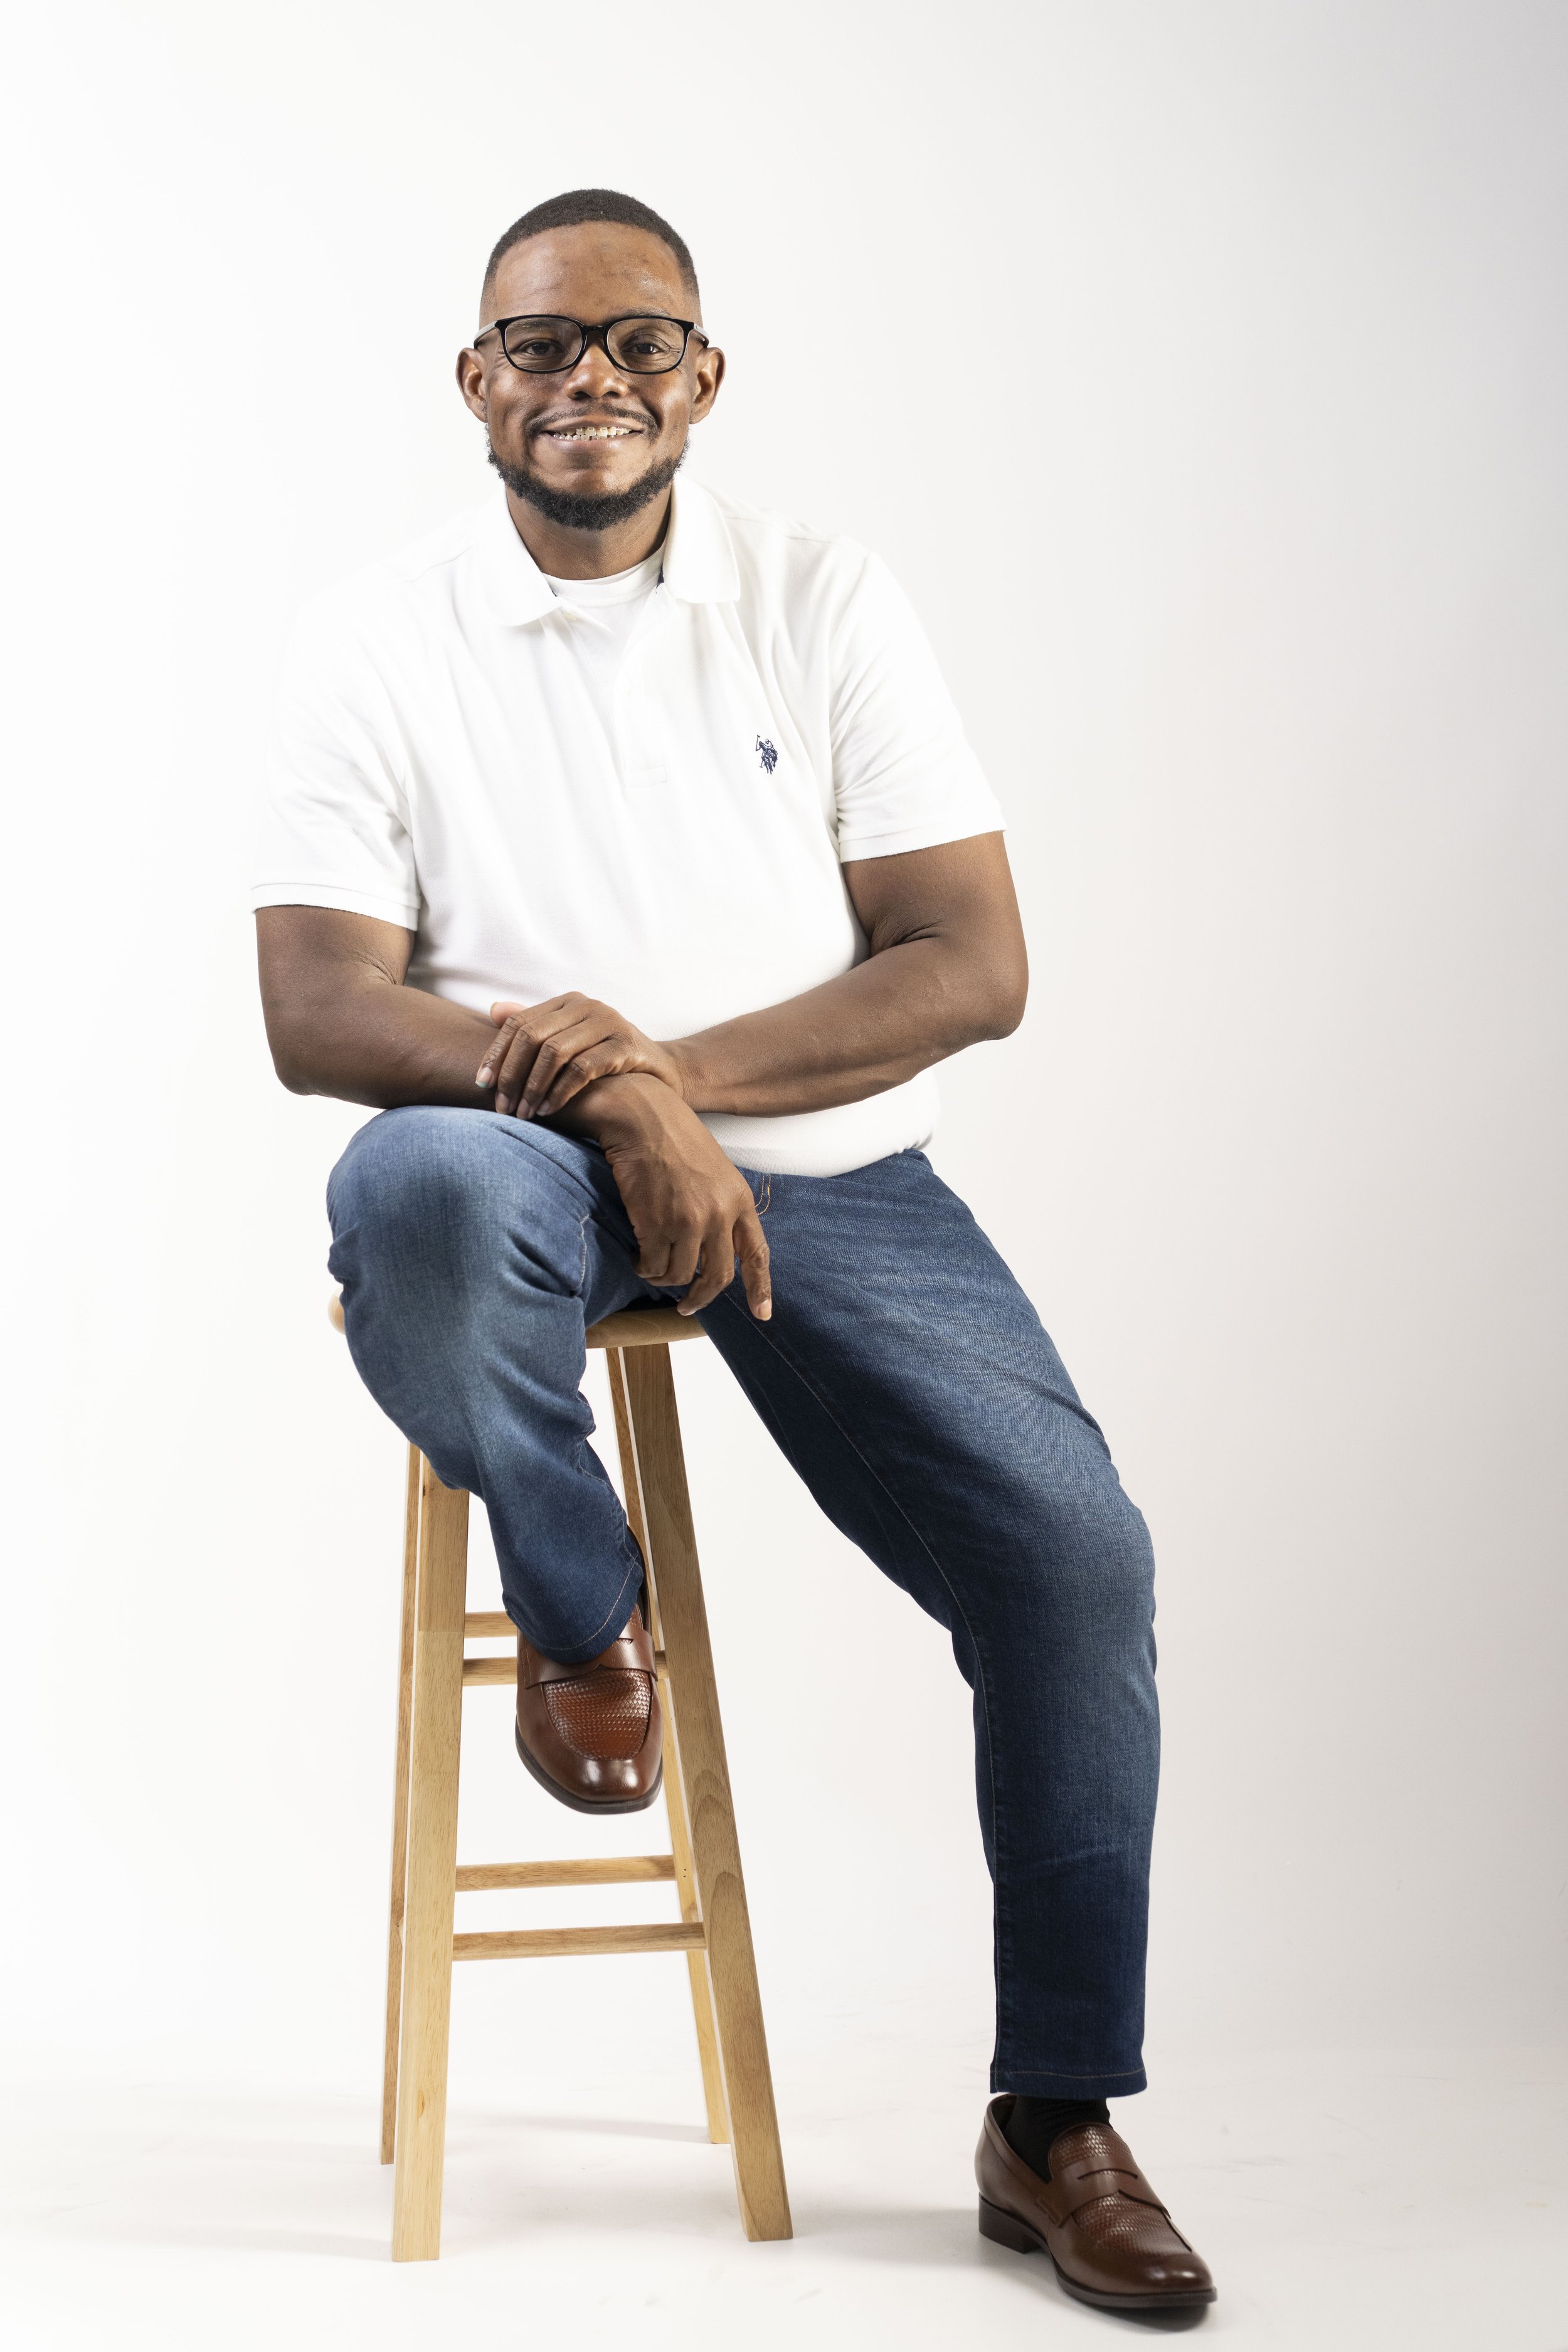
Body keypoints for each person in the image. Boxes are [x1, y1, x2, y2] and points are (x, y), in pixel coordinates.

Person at [252, 186, 1215, 2318]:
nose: (585, 377)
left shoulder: (821, 596)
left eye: (635, 340)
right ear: (471, 379)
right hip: (516, 1160)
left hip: (835, 1169)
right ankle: (586, 1625)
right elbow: (320, 1008)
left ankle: (1052, 2114)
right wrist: (603, 1103)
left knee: (1076, 1565)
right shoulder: (372, 632)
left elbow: (970, 962)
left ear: (704, 373)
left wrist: (668, 1073)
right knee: (413, 1191)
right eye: (537, 343)